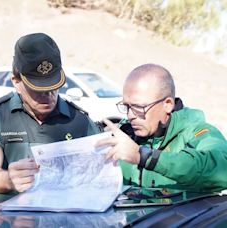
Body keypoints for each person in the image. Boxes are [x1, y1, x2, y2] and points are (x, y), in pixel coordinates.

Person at [0, 33, 102, 194]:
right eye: (37, 88)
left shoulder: (80, 120)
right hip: (12, 217)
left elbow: (100, 173)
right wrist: (8, 179)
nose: (47, 94)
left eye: (53, 86)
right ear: (17, 82)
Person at [96, 63, 227, 192]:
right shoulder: (124, 134)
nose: (130, 115)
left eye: (139, 107)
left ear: (167, 104)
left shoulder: (198, 132)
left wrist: (144, 157)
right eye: (127, 107)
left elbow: (222, 170)